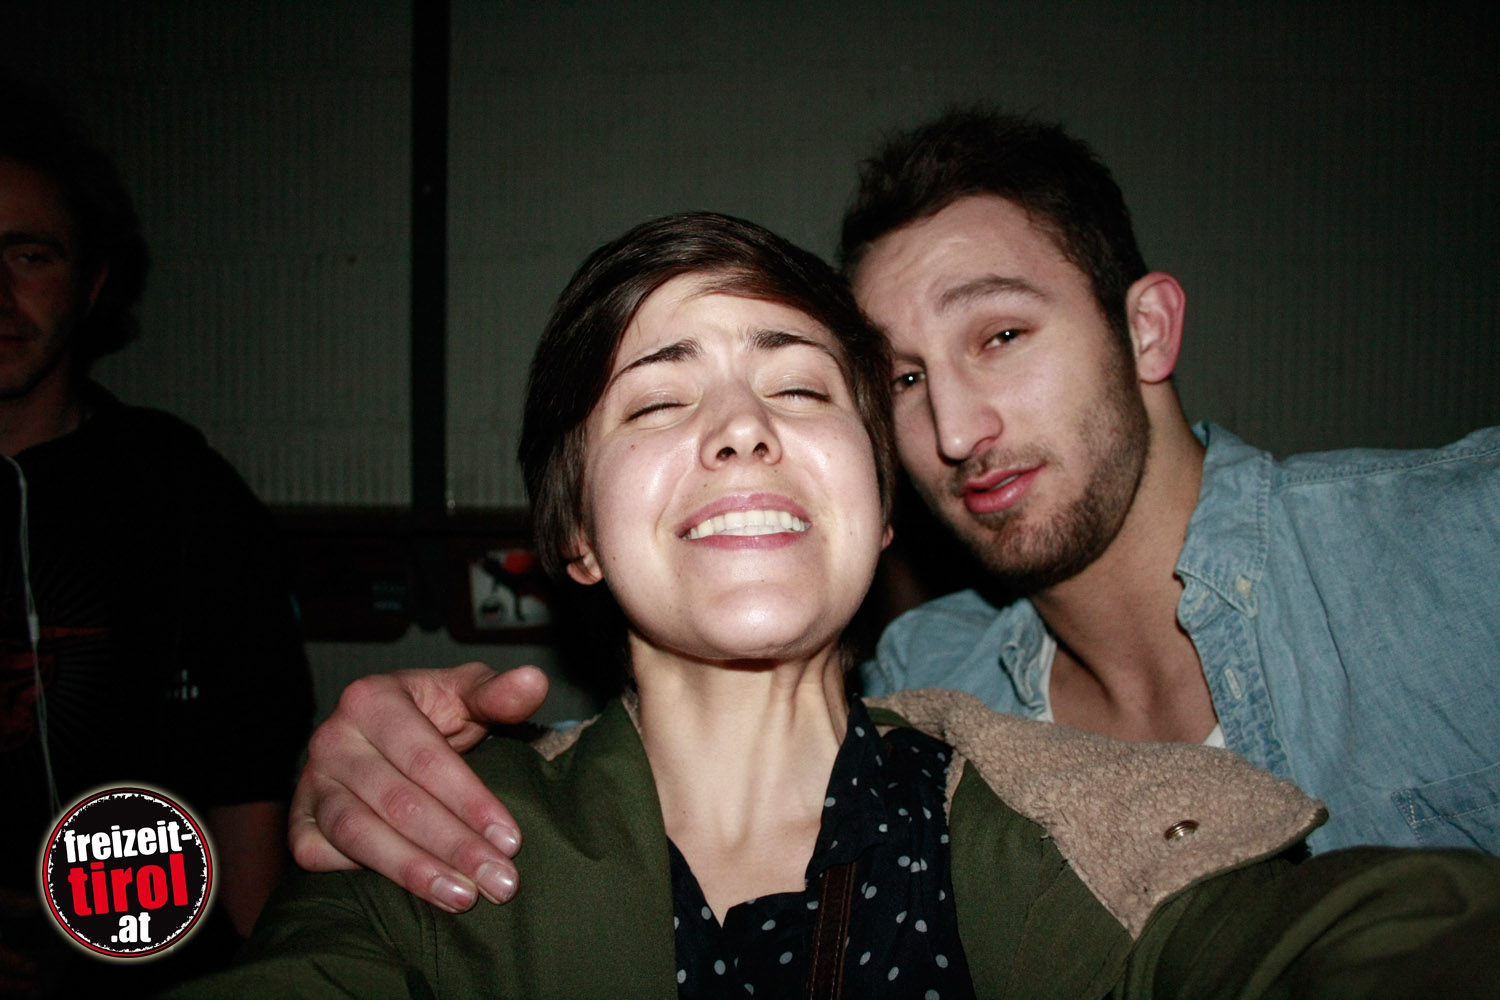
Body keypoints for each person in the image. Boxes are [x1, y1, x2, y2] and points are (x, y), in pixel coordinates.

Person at [175, 211, 1500, 999]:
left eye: (801, 389)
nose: (742, 427)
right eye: (658, 398)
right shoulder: (431, 849)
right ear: (574, 534)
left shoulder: (1067, 821)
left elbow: (1336, 943)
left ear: (877, 503)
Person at [0, 74, 312, 995]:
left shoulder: (180, 490)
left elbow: (249, 774)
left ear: (92, 281)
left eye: (28, 255)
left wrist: (258, 978)